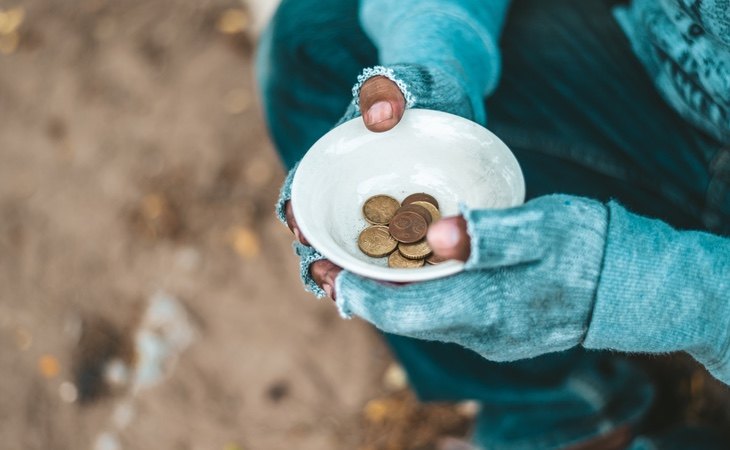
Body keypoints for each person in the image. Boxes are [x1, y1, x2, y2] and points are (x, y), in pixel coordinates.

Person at [256, 0, 730, 448]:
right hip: (662, 67)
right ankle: (560, 412)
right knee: (317, 38)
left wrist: (643, 287)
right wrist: (437, 60)